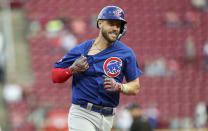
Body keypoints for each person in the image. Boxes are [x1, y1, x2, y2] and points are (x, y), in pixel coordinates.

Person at [51, 6, 142, 131]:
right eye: (111, 23)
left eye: (119, 25)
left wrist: (119, 87)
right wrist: (71, 70)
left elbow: (135, 87)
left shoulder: (126, 53)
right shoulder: (83, 49)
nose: (115, 28)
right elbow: (55, 76)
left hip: (108, 117)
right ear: (100, 23)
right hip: (83, 113)